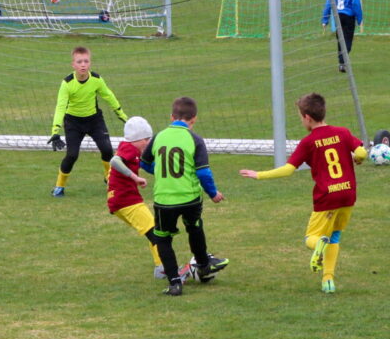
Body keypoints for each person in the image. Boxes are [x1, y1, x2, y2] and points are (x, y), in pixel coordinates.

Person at [240, 93, 366, 294]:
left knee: (311, 238)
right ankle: (328, 281)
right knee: (335, 236)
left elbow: (288, 170)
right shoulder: (342, 132)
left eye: (300, 117)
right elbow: (361, 152)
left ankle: (319, 244)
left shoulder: (309, 142)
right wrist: (358, 160)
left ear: (307, 117)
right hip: (348, 194)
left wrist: (259, 175)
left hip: (327, 198)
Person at [141, 97, 229, 296]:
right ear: (194, 119)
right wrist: (213, 193)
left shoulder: (159, 137)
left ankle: (174, 283)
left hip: (164, 199)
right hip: (190, 198)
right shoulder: (195, 139)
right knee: (194, 226)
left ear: (171, 117)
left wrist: (160, 171)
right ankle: (203, 265)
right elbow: (203, 173)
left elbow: (144, 162)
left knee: (163, 239)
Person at [49, 46, 128, 197]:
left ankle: (109, 178)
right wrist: (55, 131)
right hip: (73, 123)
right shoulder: (67, 83)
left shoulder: (96, 79)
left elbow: (109, 96)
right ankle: (59, 187)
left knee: (107, 149)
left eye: (86, 61)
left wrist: (123, 116)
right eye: (79, 62)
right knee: (72, 155)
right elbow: (60, 107)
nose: (83, 65)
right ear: (73, 64)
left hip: (94, 120)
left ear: (90, 63)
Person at [107, 117, 164, 279]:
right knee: (155, 231)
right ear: (137, 139)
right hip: (126, 200)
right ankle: (163, 268)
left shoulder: (130, 149)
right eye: (146, 140)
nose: (148, 143)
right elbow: (114, 161)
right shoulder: (129, 148)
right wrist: (135, 177)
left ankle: (161, 266)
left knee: (152, 231)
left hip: (120, 200)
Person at [321, 0, 363, 73]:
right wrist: (359, 18)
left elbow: (328, 4)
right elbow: (356, 4)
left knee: (340, 39)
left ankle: (341, 63)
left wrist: (325, 19)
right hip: (349, 17)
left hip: (337, 16)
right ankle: (343, 61)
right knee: (347, 40)